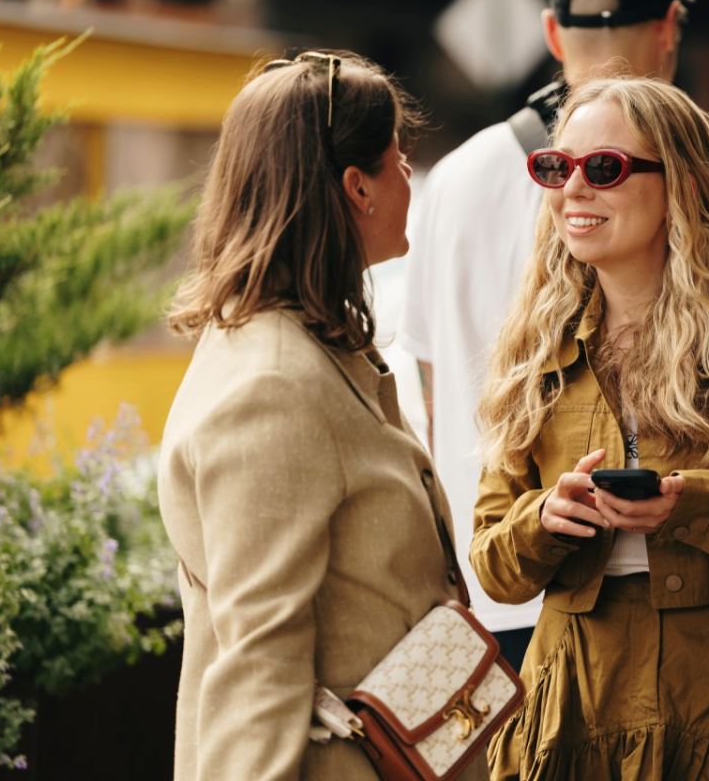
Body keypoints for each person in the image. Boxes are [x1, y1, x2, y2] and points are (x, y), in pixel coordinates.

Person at [471, 76, 709, 780]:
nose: (574, 192)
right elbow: (494, 567)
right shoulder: (536, 341)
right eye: (557, 168)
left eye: (606, 168)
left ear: (677, 182)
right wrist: (546, 519)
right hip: (575, 705)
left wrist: (702, 503)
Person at [158, 51, 487, 781]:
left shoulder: (302, 342)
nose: (410, 178)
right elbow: (258, 661)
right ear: (356, 188)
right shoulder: (273, 383)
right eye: (401, 159)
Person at [395, 0, 692, 669]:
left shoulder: (454, 178)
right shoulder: (670, 184)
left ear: (552, 37)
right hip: (627, 596)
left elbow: (434, 393)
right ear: (670, 26)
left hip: (487, 580)